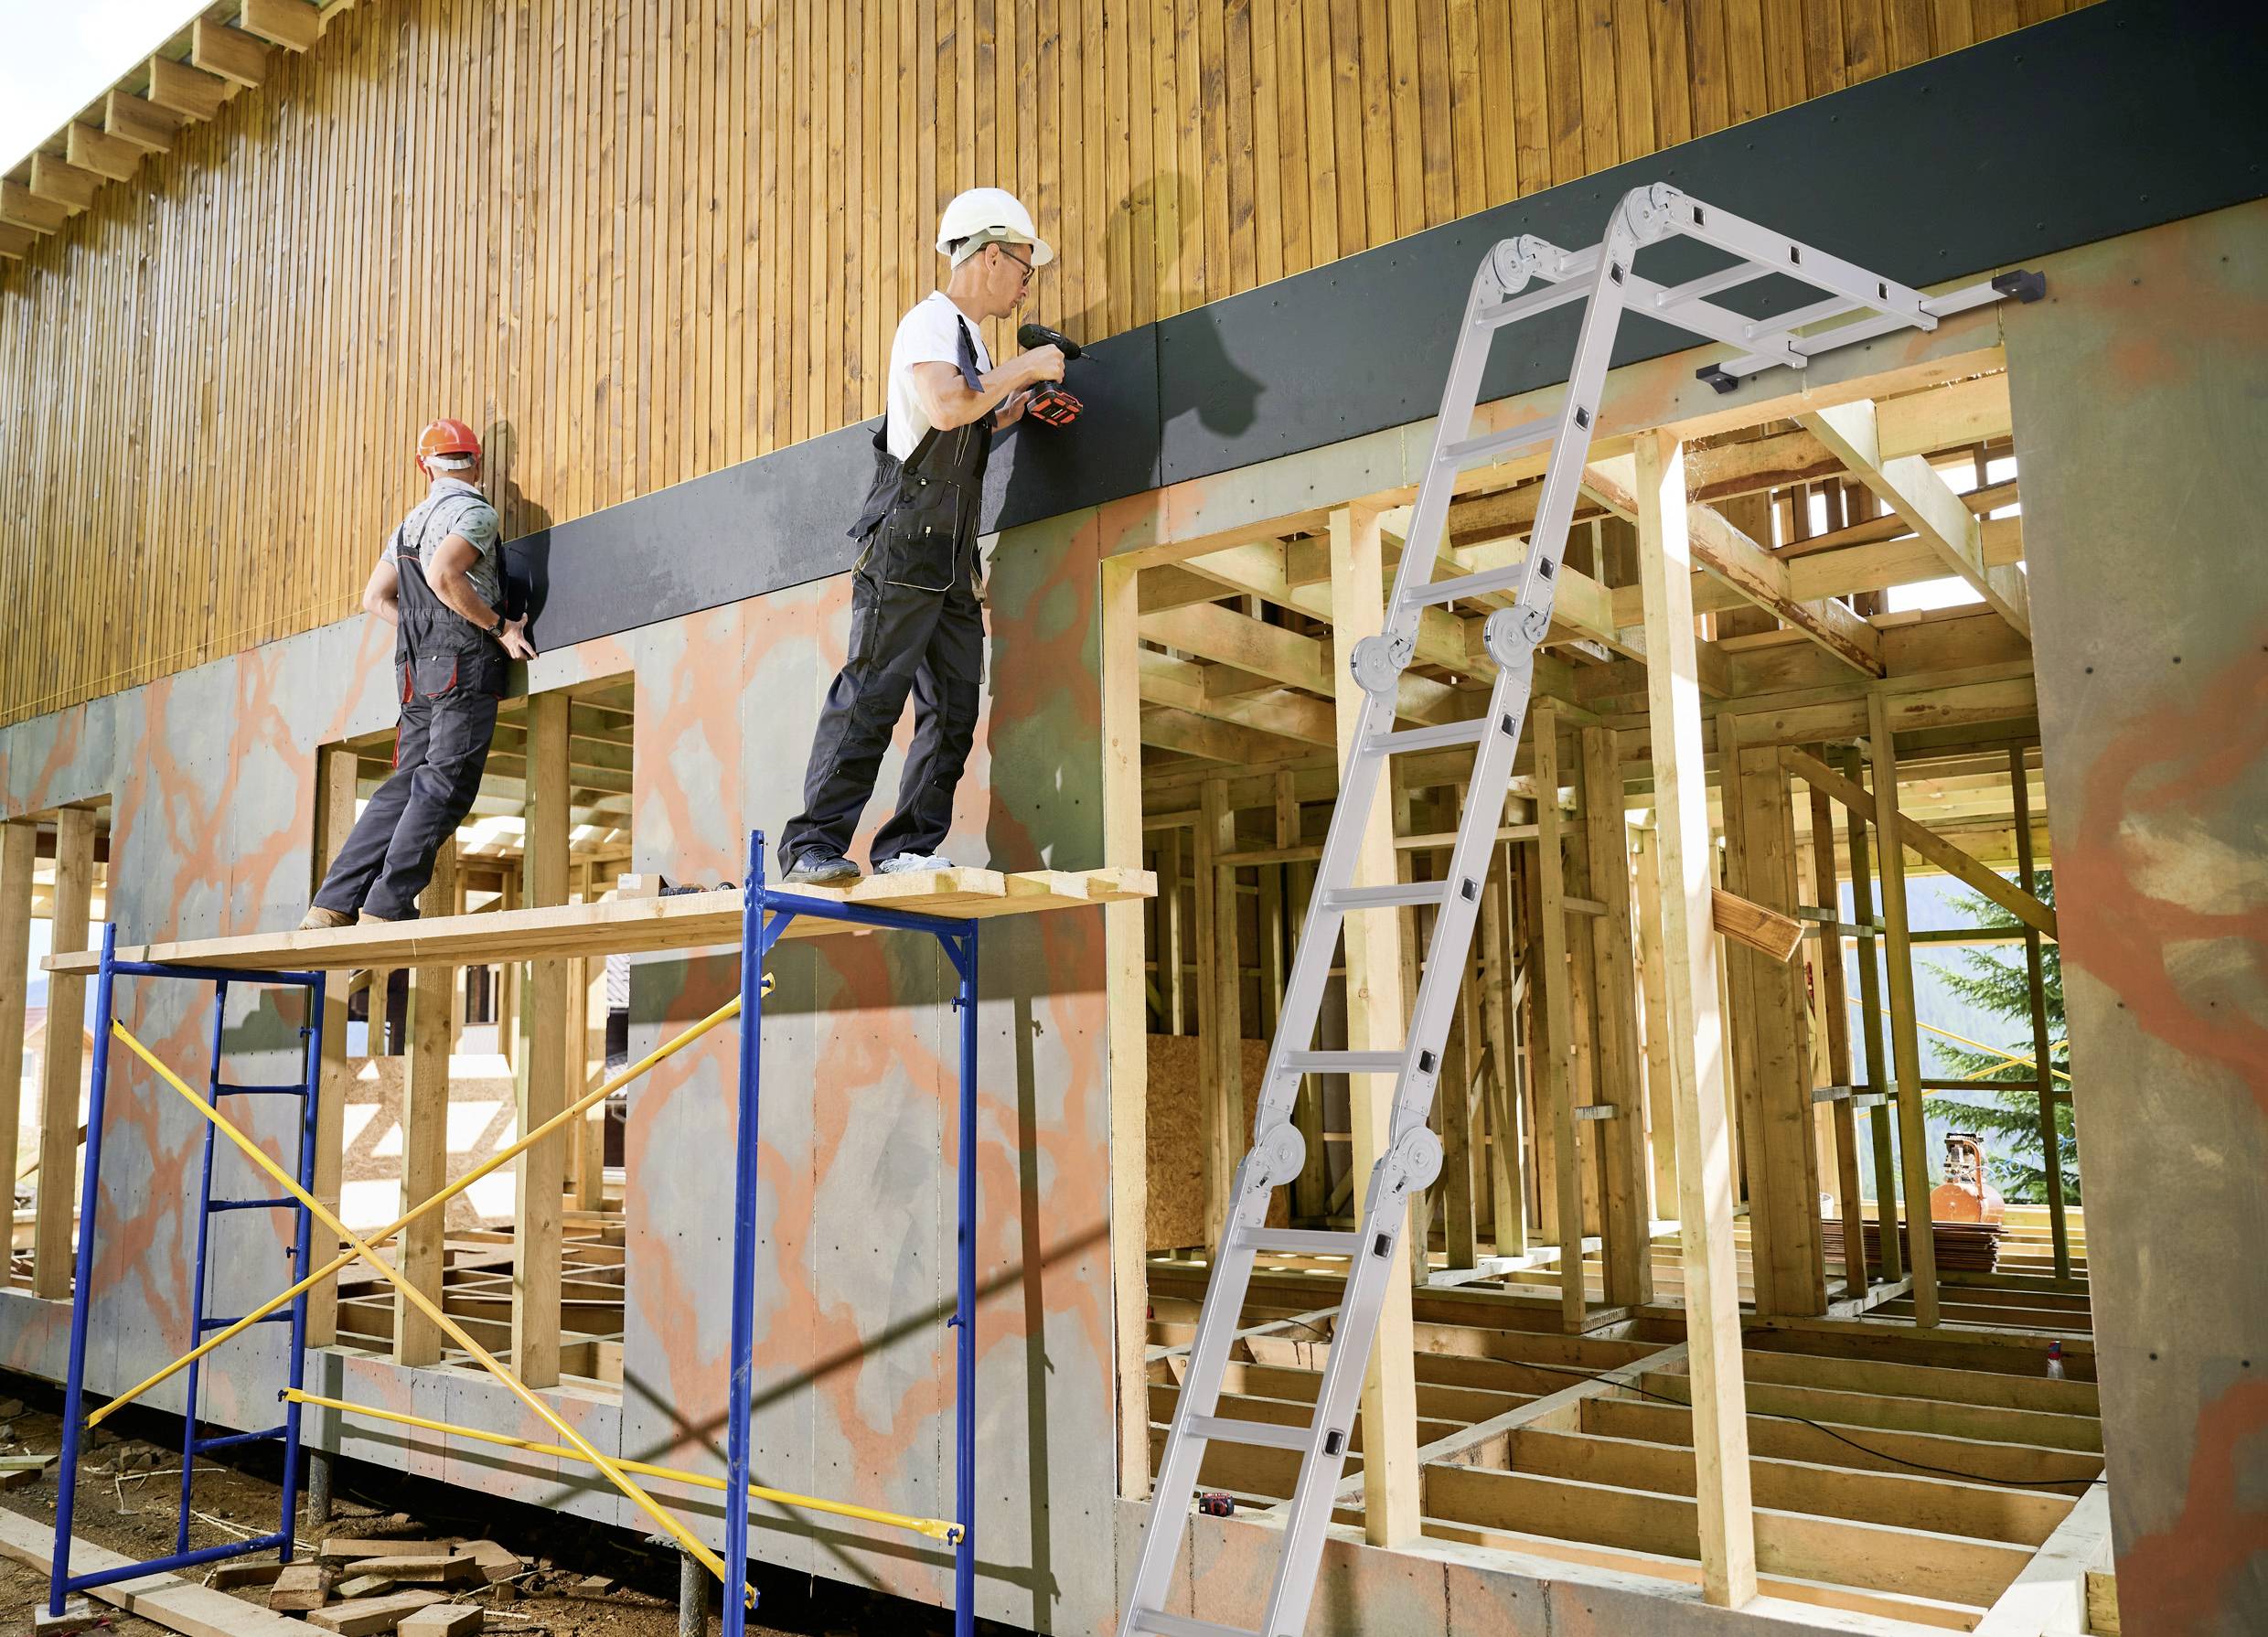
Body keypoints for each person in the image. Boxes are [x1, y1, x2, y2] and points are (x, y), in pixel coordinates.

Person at [775, 189, 1068, 886]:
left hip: (950, 553)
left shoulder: (971, 339)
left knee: (954, 706)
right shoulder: (930, 323)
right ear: (990, 253)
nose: (1029, 278)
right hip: (906, 541)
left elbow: (963, 422)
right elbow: (943, 406)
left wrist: (1013, 409)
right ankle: (812, 844)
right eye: (1025, 263)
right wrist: (1026, 368)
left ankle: (906, 843)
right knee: (873, 693)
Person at [300, 419, 537, 928]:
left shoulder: (409, 524)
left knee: (406, 782)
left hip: (415, 670)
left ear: (423, 466)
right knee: (445, 784)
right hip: (461, 666)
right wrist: (499, 627)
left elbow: (375, 598)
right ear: (476, 462)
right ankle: (388, 905)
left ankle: (333, 904)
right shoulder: (474, 511)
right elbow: (445, 574)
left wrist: (426, 623)